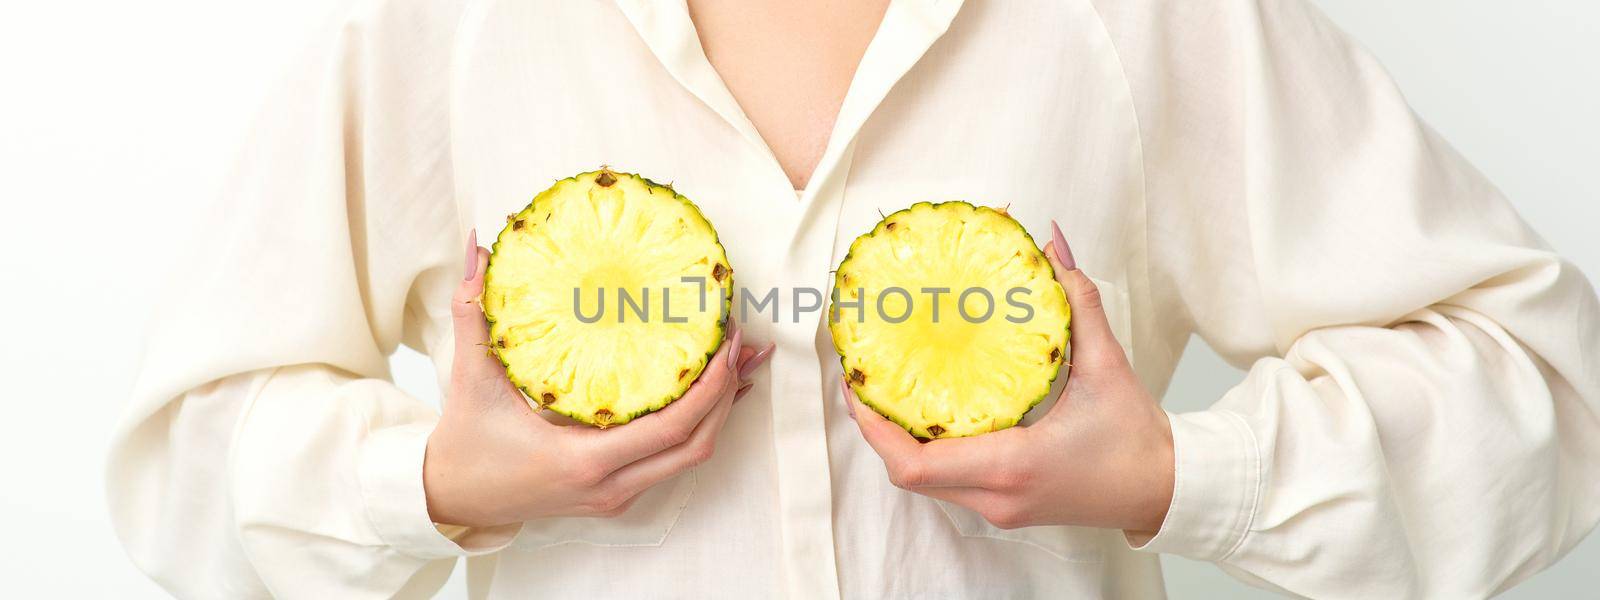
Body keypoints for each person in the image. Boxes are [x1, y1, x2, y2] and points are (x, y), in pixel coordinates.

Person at [108, 0, 1600, 598]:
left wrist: (1173, 472)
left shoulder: (1136, 18)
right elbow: (179, 464)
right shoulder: (453, 26)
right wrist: (432, 478)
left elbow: (1541, 389)